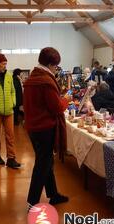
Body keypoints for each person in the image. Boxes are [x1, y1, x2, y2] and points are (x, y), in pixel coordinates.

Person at [23, 47, 70, 207]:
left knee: (46, 161)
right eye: (56, 66)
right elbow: (56, 107)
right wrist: (66, 100)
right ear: (50, 64)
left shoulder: (31, 78)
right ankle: (32, 202)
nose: (56, 69)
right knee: (42, 165)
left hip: (33, 127)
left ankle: (54, 194)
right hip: (45, 128)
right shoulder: (47, 81)